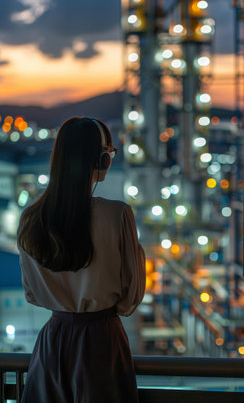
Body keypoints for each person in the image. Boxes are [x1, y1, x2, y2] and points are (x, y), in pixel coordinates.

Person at [17, 116, 146, 403]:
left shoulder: (31, 217)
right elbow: (130, 298)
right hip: (102, 339)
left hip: (53, 340)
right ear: (102, 159)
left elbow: (32, 294)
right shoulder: (118, 215)